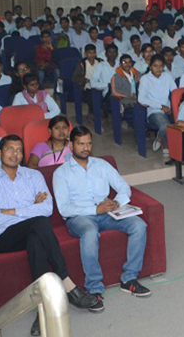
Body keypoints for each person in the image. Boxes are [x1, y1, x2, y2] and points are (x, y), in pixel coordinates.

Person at [0, 136, 99, 333]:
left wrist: (11, 211)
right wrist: (31, 208)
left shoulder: (34, 176)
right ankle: (68, 284)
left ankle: (42, 310)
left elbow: (47, 209)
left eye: (19, 150)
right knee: (39, 223)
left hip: (32, 232)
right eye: (10, 149)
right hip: (6, 237)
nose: (15, 154)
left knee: (36, 238)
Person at [53, 127, 151, 310]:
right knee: (90, 233)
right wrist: (95, 209)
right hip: (79, 217)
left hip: (107, 213)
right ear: (71, 145)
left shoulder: (102, 165)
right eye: (81, 144)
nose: (86, 148)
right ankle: (94, 289)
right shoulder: (61, 173)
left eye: (89, 143)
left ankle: (129, 279)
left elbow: (124, 187)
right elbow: (64, 208)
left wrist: (117, 202)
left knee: (139, 225)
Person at [137, 56, 173, 160]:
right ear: (150, 67)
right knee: (165, 126)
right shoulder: (145, 79)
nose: (158, 68)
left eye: (161, 66)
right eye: (155, 66)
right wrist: (161, 106)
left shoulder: (167, 76)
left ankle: (160, 137)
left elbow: (175, 91)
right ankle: (165, 146)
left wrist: (172, 106)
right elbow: (141, 99)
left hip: (169, 109)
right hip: (154, 110)